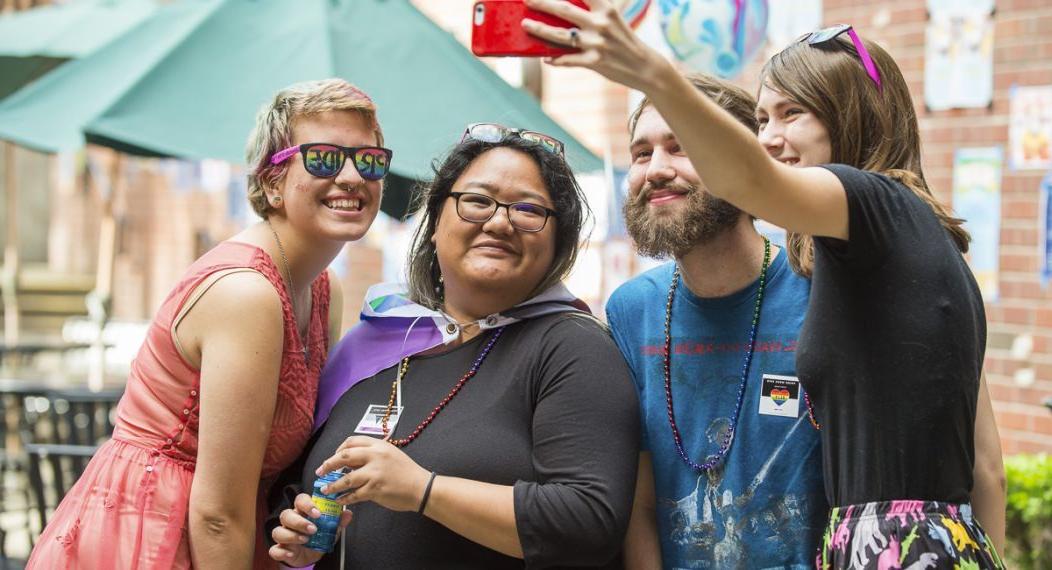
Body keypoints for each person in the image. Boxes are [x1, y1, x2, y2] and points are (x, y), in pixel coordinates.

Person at [522, 1, 1006, 568]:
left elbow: (747, 177)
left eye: (791, 114)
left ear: (848, 115)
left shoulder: (880, 206)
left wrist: (647, 70)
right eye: (762, 121)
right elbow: (987, 465)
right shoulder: (881, 250)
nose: (770, 139)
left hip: (901, 546)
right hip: (890, 544)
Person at [27, 78, 391, 569]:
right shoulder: (247, 294)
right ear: (272, 182)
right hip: (150, 536)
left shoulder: (325, 289)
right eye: (324, 158)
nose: (351, 177)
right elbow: (218, 512)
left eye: (368, 161)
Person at [267, 125, 640, 569]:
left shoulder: (572, 348)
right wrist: (296, 527)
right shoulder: (378, 340)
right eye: (478, 201)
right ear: (434, 223)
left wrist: (424, 490)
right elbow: (294, 481)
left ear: (558, 241)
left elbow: (590, 522)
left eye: (527, 210)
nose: (499, 222)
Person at [605, 73, 826, 569]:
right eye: (642, 154)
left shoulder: (819, 290)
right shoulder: (630, 310)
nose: (656, 170)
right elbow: (638, 504)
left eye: (680, 147)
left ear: (745, 160)